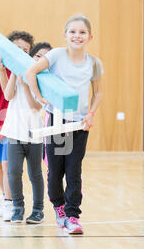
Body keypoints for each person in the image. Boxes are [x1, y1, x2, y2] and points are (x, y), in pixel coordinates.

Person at [25, 14, 104, 234]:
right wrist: (40, 98)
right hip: (56, 121)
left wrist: (91, 114)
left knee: (74, 171)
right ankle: (58, 207)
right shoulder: (57, 55)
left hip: (79, 124)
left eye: (82, 32)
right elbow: (31, 72)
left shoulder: (94, 63)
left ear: (90, 37)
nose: (77, 36)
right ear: (65, 35)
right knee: (55, 171)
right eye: (73, 31)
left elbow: (98, 93)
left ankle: (72, 216)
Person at [0, 30, 35, 221]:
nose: (21, 52)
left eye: (25, 50)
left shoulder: (27, 72)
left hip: (13, 123)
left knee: (7, 163)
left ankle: (11, 200)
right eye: (17, 47)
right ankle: (6, 198)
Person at [0, 42, 52, 224]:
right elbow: (7, 96)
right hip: (15, 132)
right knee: (13, 172)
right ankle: (18, 207)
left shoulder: (45, 80)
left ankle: (38, 210)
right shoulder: (19, 72)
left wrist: (27, 86)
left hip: (34, 133)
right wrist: (13, 73)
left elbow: (36, 106)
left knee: (35, 173)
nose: (40, 60)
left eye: (45, 58)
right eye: (38, 56)